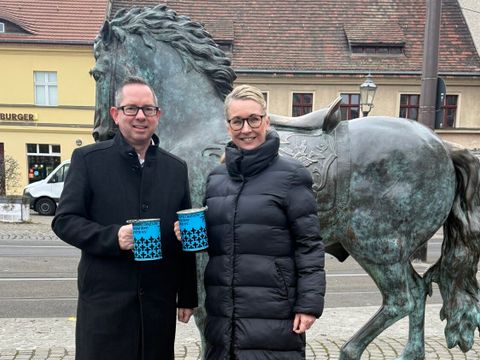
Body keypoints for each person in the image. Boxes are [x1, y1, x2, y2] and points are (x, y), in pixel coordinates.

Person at [175, 84, 325, 359]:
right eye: (237, 121)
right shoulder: (216, 178)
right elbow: (224, 241)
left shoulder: (292, 175)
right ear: (228, 126)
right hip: (222, 316)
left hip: (274, 313)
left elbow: (309, 245)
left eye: (253, 119)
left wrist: (309, 304)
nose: (246, 129)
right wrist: (194, 234)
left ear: (266, 121)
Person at [52, 76, 197, 360]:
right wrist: (112, 237)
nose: (140, 116)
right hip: (106, 304)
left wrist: (188, 295)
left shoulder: (175, 168)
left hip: (158, 305)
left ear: (158, 115)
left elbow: (186, 233)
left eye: (148, 109)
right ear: (115, 114)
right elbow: (64, 220)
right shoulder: (88, 160)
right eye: (131, 108)